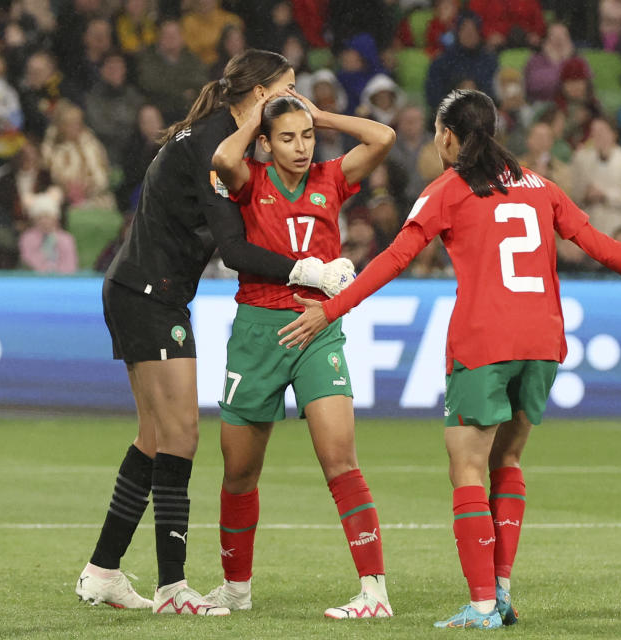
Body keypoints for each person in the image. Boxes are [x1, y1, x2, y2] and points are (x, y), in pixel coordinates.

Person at [277, 89, 621, 630]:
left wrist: (331, 310)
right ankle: (502, 593)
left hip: (484, 341)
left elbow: (394, 259)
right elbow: (598, 243)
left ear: (446, 136)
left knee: (466, 466)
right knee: (506, 463)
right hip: (542, 343)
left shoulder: (448, 190)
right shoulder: (541, 186)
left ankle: (483, 605)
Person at [74, 49, 356, 617]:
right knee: (181, 438)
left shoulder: (214, 136)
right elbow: (233, 248)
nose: (298, 100)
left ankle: (103, 570)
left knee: (153, 438)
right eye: (289, 90)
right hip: (150, 295)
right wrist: (308, 269)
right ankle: (173, 588)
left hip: (138, 289)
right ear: (259, 95)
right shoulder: (214, 146)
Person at [203, 92, 395, 618]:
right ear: (265, 144)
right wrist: (253, 122)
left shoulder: (332, 178)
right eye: (287, 138)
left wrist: (319, 114)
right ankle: (235, 590)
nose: (301, 147)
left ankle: (374, 594)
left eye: (307, 136)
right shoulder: (251, 181)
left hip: (317, 329)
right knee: (239, 473)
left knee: (341, 461)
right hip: (257, 333)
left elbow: (383, 137)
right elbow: (222, 160)